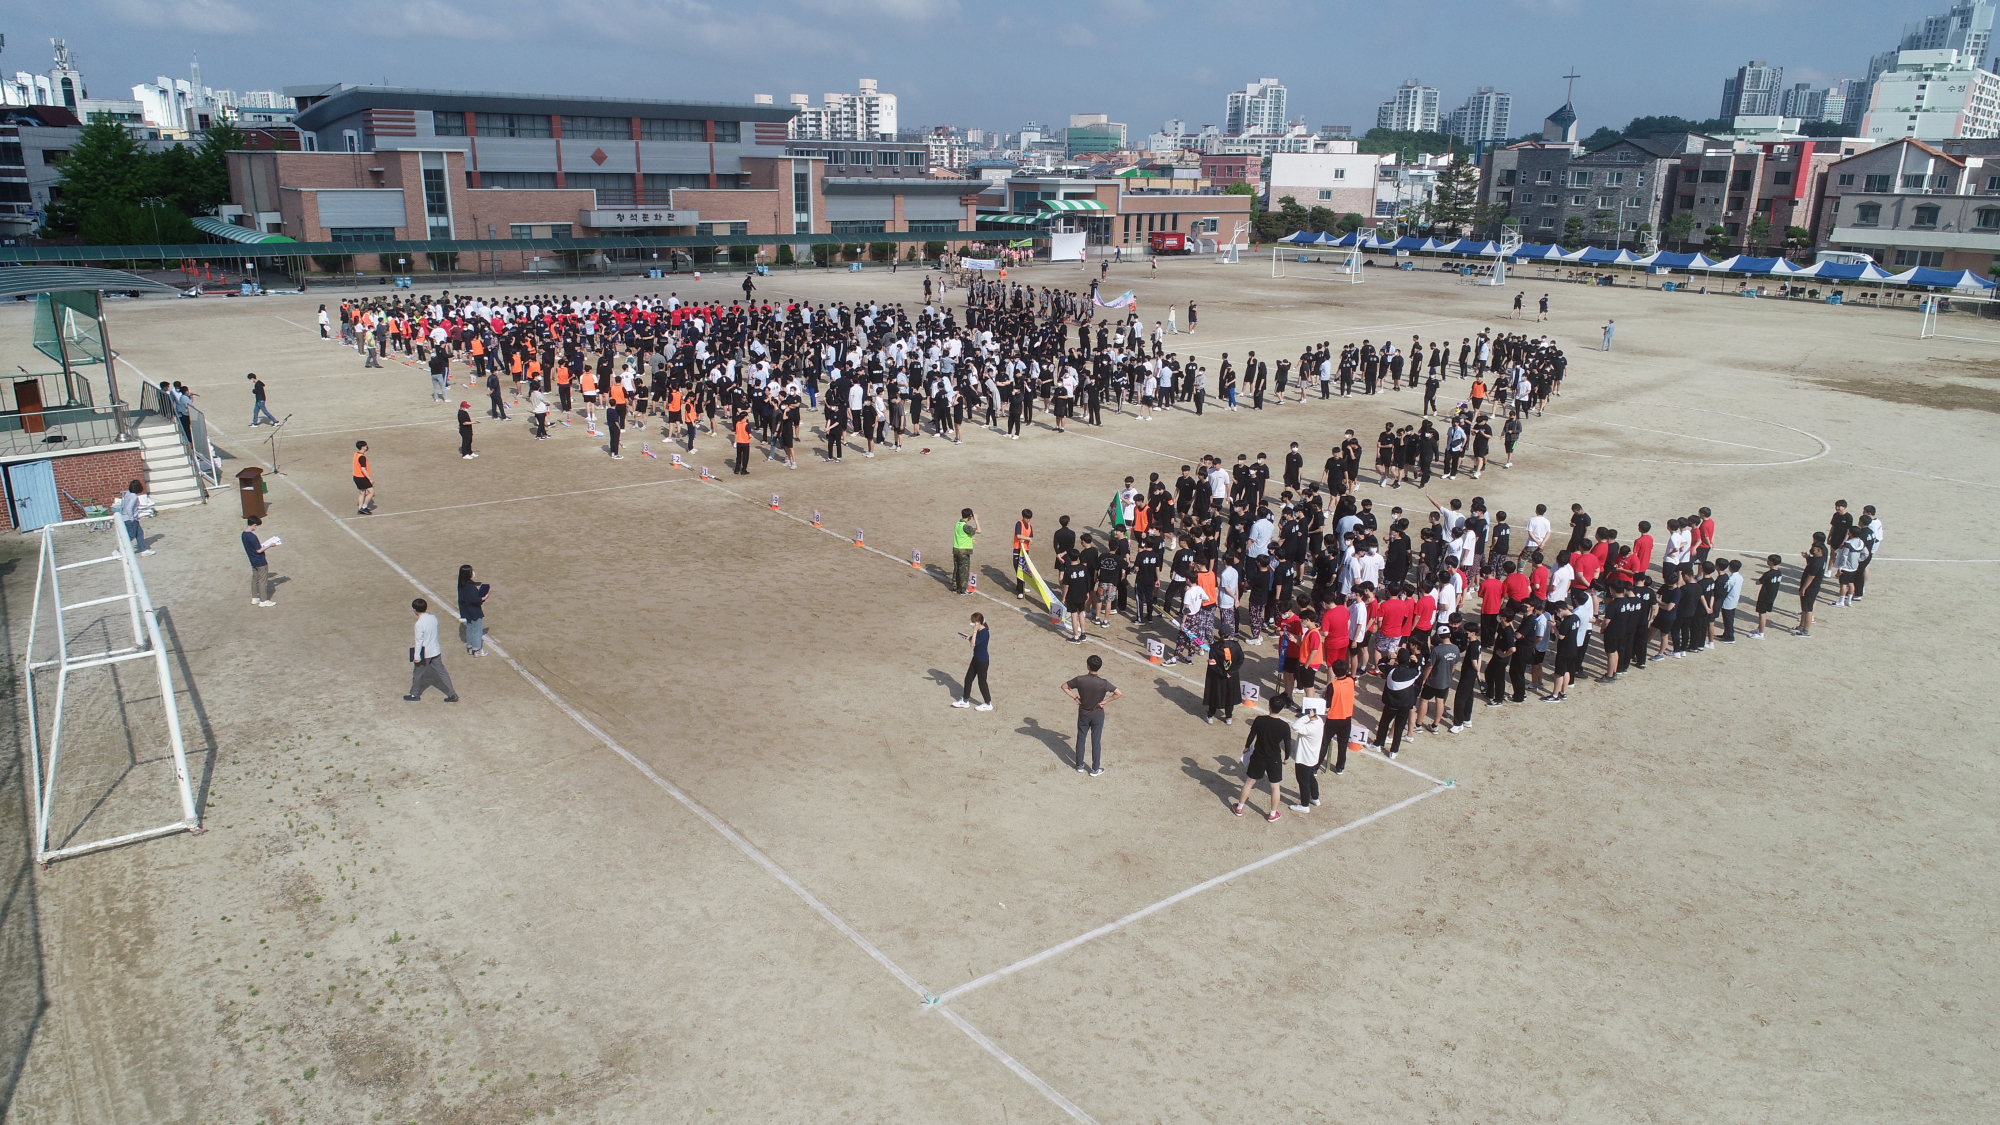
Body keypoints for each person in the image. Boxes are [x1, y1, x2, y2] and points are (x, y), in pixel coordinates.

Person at [1061, 654, 1120, 776]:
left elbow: (1064, 687)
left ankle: (1079, 765)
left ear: (1088, 666)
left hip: (1083, 713)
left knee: (1081, 738)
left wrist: (1075, 698)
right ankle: (1095, 769)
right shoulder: (1103, 683)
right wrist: (1105, 701)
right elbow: (1118, 693)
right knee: (1096, 741)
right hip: (1097, 714)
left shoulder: (1080, 680)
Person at [1234, 709, 1292, 821]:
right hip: (1274, 758)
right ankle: (1272, 814)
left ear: (1270, 706)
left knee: (1249, 782)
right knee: (1275, 787)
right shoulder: (1284, 726)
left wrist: (1247, 746)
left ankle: (1239, 808)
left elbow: (1252, 735)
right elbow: (1287, 743)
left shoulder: (1260, 720)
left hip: (1258, 756)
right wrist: (1287, 757)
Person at [405, 598, 459, 702]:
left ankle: (414, 694)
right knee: (442, 672)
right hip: (435, 650)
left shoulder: (419, 624)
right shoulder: (433, 618)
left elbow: (419, 642)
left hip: (425, 653)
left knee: (417, 674)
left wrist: (416, 657)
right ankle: (452, 693)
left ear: (415, 610)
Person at [1288, 697, 1325, 813]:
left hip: (1303, 759)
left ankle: (1304, 805)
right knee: (1311, 778)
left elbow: (1295, 726)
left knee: (1303, 782)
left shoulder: (1310, 727)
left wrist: (1307, 716)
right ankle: (1315, 797)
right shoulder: (1319, 721)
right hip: (1312, 757)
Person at [954, 612, 993, 710]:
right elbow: (974, 641)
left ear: (978, 622)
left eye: (973, 622)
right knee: (968, 679)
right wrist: (969, 638)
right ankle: (965, 701)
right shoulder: (980, 631)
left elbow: (973, 644)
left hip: (982, 661)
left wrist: (974, 632)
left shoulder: (984, 632)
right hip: (976, 659)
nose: (971, 624)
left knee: (982, 682)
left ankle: (988, 704)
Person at [1203, 633, 1244, 724]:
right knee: (1230, 695)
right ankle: (1229, 717)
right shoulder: (1236, 645)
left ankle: (1210, 716)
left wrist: (1223, 673)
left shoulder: (1214, 647)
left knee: (1214, 695)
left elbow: (1213, 664)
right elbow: (1241, 659)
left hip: (1218, 677)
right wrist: (1230, 672)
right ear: (1230, 634)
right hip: (1231, 677)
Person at [241, 516, 278, 607]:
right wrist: (270, 545)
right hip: (260, 561)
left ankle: (255, 598)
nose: (256, 528)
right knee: (262, 581)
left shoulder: (243, 535)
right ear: (253, 524)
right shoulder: (253, 537)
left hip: (253, 560)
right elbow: (259, 550)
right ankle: (263, 600)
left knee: (255, 579)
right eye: (256, 526)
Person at [458, 564, 491, 657]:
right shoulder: (470, 587)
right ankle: (477, 650)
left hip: (467, 611)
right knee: (477, 630)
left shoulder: (461, 584)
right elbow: (476, 600)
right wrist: (484, 597)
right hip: (474, 611)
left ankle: (470, 647)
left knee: (470, 629)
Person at [115, 480, 153, 555]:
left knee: (139, 533)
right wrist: (132, 518)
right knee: (130, 536)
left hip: (126, 517)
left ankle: (143, 549)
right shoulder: (134, 497)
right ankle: (119, 551)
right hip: (130, 519)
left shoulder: (128, 493)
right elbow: (129, 508)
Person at [1752, 553, 1782, 639]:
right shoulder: (1779, 572)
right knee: (1763, 613)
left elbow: (1758, 582)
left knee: (1762, 614)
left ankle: (1761, 633)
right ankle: (1759, 629)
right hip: (1772, 595)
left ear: (1771, 562)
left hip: (1765, 596)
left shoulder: (1768, 574)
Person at [952, 507, 979, 595]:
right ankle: (963, 590)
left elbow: (962, 536)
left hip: (956, 549)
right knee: (964, 571)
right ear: (969, 516)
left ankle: (955, 587)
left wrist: (971, 539)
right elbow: (979, 530)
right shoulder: (966, 526)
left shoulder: (958, 524)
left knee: (956, 569)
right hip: (963, 552)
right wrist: (976, 520)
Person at [352, 440, 375, 515]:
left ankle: (360, 508)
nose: (366, 447)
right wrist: (369, 478)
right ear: (362, 447)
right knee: (371, 492)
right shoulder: (362, 457)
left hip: (356, 476)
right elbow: (363, 469)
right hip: (362, 477)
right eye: (365, 446)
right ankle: (364, 507)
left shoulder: (356, 454)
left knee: (362, 493)